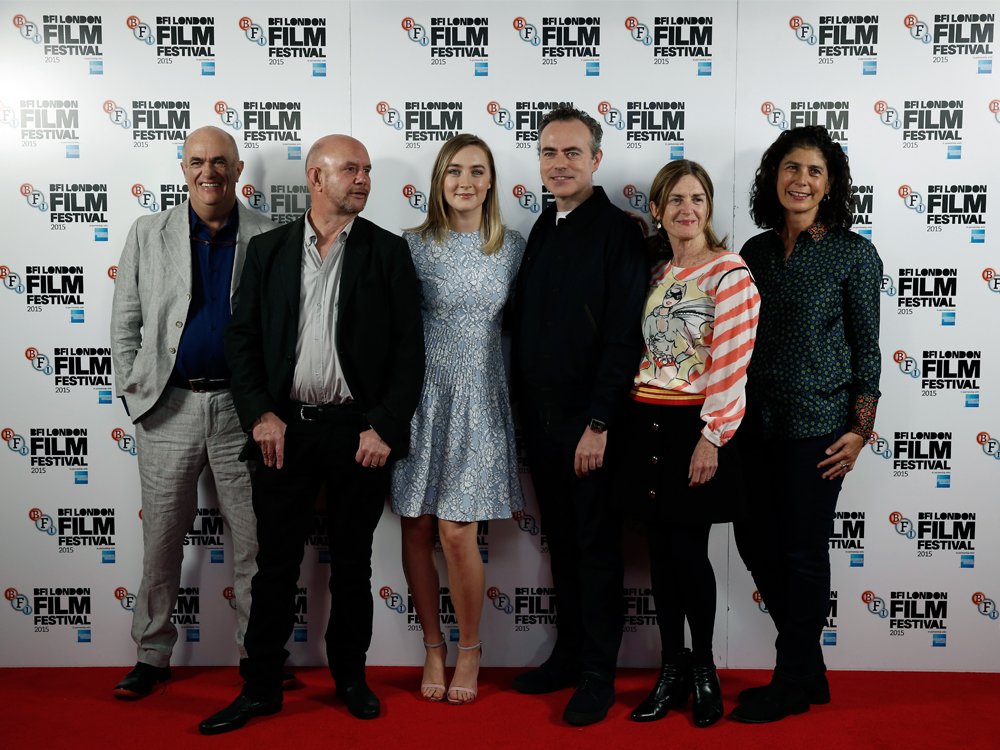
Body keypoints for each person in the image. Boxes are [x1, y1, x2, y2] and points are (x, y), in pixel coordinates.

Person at [199, 135, 424, 734]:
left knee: (353, 567)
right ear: (316, 179)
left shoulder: (387, 252)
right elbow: (241, 339)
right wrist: (259, 415)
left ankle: (351, 676)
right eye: (350, 169)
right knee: (275, 566)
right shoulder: (269, 250)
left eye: (368, 171)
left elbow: (409, 352)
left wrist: (384, 425)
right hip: (285, 433)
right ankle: (261, 686)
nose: (363, 179)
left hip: (359, 438)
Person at [109, 125, 275, 700]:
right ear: (183, 168)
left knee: (254, 544)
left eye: (221, 162)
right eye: (198, 161)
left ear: (237, 170)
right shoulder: (146, 233)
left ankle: (258, 661)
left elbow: (281, 332)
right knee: (160, 542)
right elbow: (124, 322)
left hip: (240, 411)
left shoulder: (268, 236)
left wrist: (265, 407)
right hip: (168, 407)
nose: (210, 171)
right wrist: (137, 394)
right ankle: (152, 656)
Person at [731, 125, 882, 723]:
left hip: (819, 426)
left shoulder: (853, 253)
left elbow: (867, 350)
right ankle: (810, 670)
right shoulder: (755, 253)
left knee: (801, 552)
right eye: (791, 168)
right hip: (754, 424)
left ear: (831, 184)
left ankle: (791, 679)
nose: (801, 180)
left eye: (815, 171)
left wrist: (862, 427)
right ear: (775, 177)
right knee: (753, 541)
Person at [510, 106, 647, 726]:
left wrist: (599, 422)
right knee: (562, 544)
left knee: (594, 548)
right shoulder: (543, 226)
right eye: (548, 153)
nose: (558, 164)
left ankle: (598, 674)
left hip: (588, 424)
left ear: (596, 159)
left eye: (571, 153)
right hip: (539, 421)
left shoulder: (618, 231)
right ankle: (568, 655)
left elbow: (624, 335)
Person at [621, 160, 759, 728]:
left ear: (709, 207)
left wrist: (712, 438)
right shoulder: (653, 273)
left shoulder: (731, 273)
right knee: (658, 557)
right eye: (675, 199)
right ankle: (670, 669)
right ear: (657, 209)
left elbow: (731, 364)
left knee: (688, 554)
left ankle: (703, 670)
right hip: (643, 421)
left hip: (694, 429)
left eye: (697, 198)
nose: (687, 209)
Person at [392, 134, 525, 705]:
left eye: (476, 170)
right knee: (417, 528)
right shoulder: (411, 246)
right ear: (438, 182)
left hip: (481, 403)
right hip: (422, 400)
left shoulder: (514, 247)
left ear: (491, 181)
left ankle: (470, 647)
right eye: (453, 171)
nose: (464, 181)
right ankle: (431, 645)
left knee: (457, 533)